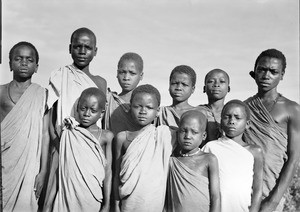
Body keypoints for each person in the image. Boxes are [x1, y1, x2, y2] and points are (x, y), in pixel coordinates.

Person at [44, 27, 107, 209]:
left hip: (90, 150)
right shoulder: (59, 75)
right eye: (77, 46)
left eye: (87, 47)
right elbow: (51, 118)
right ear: (69, 48)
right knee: (53, 200)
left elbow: (100, 118)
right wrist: (61, 145)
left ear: (95, 51)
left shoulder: (100, 82)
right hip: (63, 145)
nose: (82, 51)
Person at [243, 49, 300, 212]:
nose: (266, 75)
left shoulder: (292, 109)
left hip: (271, 190)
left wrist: (273, 201)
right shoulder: (244, 107)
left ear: (282, 75)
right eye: (262, 70)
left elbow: (294, 157)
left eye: (273, 71)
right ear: (254, 72)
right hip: (243, 190)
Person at [45, 87, 113, 212]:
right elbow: (59, 169)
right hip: (68, 197)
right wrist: (48, 205)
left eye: (93, 110)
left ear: (101, 113)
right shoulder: (69, 132)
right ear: (77, 109)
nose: (87, 114)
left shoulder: (106, 136)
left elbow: (108, 171)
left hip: (92, 197)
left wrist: (107, 204)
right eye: (83, 109)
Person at [1, 41, 50, 211]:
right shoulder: (0, 92)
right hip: (4, 160)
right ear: (10, 64)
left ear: (36, 67)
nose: (23, 63)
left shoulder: (43, 94)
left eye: (29, 60)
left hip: (29, 166)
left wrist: (43, 171)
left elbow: (45, 134)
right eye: (18, 58)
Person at [113, 84, 176, 212]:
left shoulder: (164, 135)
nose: (143, 111)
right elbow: (116, 174)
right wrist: (115, 204)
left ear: (157, 111)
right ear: (130, 108)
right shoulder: (122, 138)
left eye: (149, 107)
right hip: (128, 203)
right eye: (137, 106)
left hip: (153, 204)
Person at [202, 100, 263, 212]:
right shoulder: (211, 147)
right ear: (221, 121)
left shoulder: (255, 151)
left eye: (237, 118)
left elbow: (258, 188)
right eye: (227, 117)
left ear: (247, 124)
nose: (232, 121)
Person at [165, 110, 221, 212]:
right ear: (177, 133)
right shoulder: (172, 160)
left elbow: (215, 196)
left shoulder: (209, 159)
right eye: (183, 131)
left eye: (194, 132)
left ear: (204, 136)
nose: (187, 136)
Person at [104, 52, 144, 135]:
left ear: (141, 76)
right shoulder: (109, 99)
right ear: (117, 73)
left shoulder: (146, 105)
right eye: (122, 72)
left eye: (132, 73)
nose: (126, 78)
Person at [157, 65, 203, 130]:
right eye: (174, 83)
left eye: (184, 84)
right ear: (169, 85)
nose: (178, 88)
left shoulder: (200, 113)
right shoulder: (160, 113)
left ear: (193, 89)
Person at [198, 68, 230, 146]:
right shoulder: (197, 112)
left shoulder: (232, 114)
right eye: (211, 81)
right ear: (204, 88)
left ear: (228, 88)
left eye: (222, 81)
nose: (216, 85)